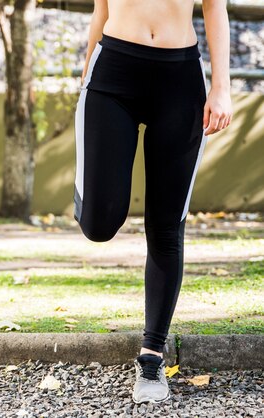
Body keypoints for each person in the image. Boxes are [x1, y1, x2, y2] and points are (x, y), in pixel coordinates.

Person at [73, 0, 232, 404]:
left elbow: (215, 9)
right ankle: (89, 201)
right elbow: (101, 8)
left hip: (179, 79)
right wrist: (87, 69)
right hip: (113, 72)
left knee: (165, 225)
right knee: (99, 222)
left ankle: (151, 355)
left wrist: (221, 88)